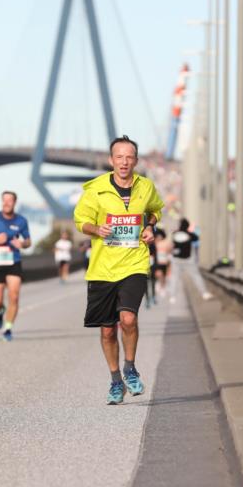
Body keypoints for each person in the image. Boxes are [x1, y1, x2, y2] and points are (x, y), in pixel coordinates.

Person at [74, 135, 163, 404]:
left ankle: (130, 368)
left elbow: (156, 211)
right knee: (107, 330)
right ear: (111, 160)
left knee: (128, 320)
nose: (124, 162)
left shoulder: (145, 187)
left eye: (129, 157)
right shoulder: (95, 189)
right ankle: (116, 381)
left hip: (134, 262)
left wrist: (150, 227)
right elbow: (81, 221)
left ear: (135, 160)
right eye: (119, 157)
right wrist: (96, 229)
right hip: (102, 268)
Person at [0, 191, 31, 341]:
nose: (6, 203)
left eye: (10, 200)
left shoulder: (21, 220)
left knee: (14, 296)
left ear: (14, 203)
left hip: (13, 261)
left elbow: (29, 241)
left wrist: (22, 243)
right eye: (4, 200)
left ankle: (8, 328)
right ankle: (0, 310)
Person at [169, 218, 200, 303]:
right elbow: (196, 238)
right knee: (196, 276)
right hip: (187, 259)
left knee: (174, 278)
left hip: (177, 259)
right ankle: (204, 293)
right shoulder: (190, 234)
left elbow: (173, 242)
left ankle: (172, 296)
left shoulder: (175, 233)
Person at [154, 226, 172, 297]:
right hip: (157, 261)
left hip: (164, 261)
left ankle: (163, 287)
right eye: (158, 236)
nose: (159, 237)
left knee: (163, 275)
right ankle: (160, 285)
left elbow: (169, 251)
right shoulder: (154, 243)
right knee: (159, 274)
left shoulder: (166, 242)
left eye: (160, 236)